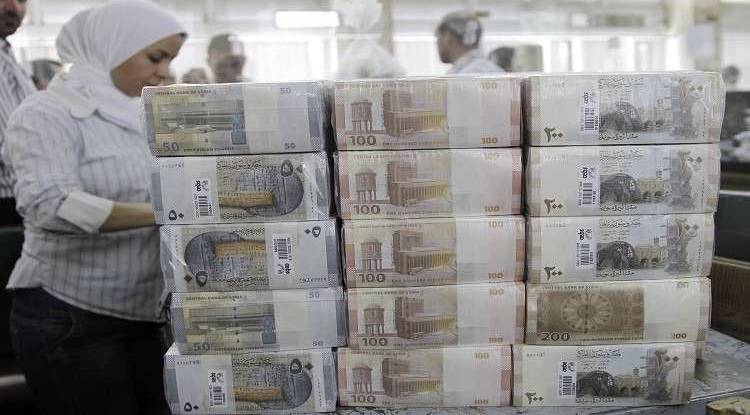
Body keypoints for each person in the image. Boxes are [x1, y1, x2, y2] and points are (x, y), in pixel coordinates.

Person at [2, 1, 186, 414]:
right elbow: (51, 205)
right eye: (156, 57)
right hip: (72, 319)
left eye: (170, 60)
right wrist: (168, 212)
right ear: (111, 47)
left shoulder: (143, 115)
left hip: (144, 315)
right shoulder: (47, 113)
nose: (164, 72)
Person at [0, 0, 36, 226]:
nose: (13, 7)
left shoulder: (7, 55)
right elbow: (11, 142)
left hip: (19, 195)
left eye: (22, 0)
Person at [436, 11, 502, 75]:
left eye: (437, 37)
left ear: (447, 37)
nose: (437, 44)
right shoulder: (489, 68)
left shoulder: (469, 74)